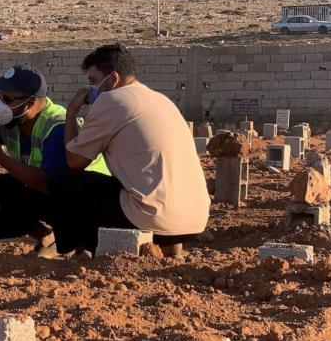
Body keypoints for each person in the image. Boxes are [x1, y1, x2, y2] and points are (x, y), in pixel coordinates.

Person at [49, 43, 210, 257]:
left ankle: (79, 250)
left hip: (149, 219)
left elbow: (75, 161)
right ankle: (173, 251)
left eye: (94, 82)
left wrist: (71, 112)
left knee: (63, 179)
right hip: (194, 219)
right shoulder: (161, 99)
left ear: (113, 79)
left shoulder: (112, 100)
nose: (91, 90)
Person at [0, 64, 109, 256]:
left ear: (31, 102)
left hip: (90, 198)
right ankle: (46, 237)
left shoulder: (57, 126)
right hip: (47, 191)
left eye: (8, 99)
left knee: (61, 193)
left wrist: (1, 158)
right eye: (0, 96)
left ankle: (83, 247)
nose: (1, 105)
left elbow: (49, 183)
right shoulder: (11, 122)